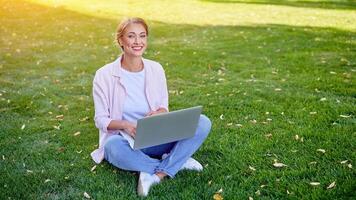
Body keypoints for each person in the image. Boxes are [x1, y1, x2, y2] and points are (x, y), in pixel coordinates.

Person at [91, 17, 212, 197]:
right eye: (131, 36)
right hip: (126, 140)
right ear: (120, 40)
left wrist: (160, 112)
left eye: (142, 36)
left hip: (156, 136)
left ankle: (155, 173)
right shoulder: (104, 75)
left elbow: (163, 106)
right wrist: (126, 125)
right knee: (112, 147)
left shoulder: (156, 69)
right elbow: (100, 120)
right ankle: (176, 162)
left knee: (202, 122)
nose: (138, 42)